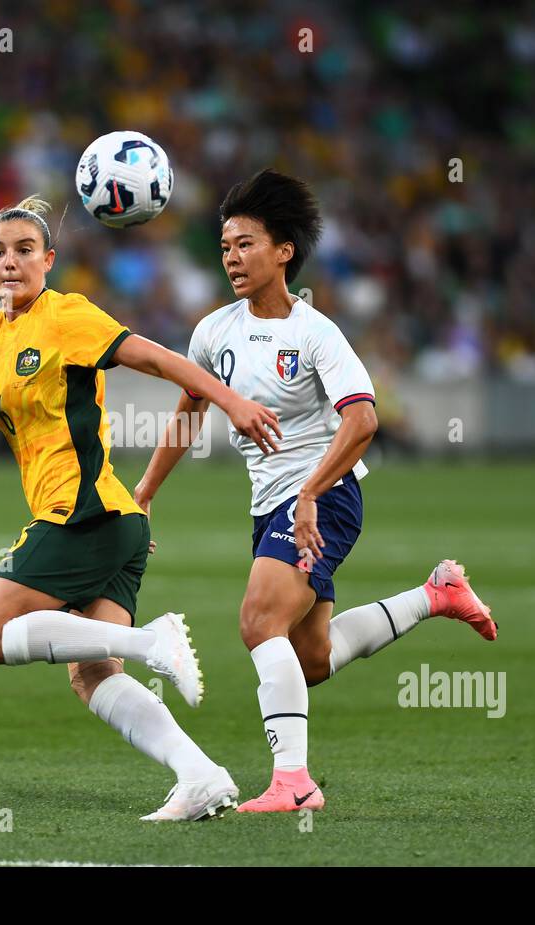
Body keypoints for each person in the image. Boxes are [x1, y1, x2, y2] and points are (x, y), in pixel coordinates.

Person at [0, 195, 283, 821]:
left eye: (25, 251)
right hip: (114, 523)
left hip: (82, 516)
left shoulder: (68, 317)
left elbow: (160, 360)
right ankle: (203, 777)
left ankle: (148, 640)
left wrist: (229, 401)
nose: (10, 263)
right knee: (90, 673)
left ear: (48, 260)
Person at [134, 170, 498, 813]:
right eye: (224, 247)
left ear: (284, 252)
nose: (232, 258)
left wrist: (308, 493)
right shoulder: (213, 332)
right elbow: (189, 411)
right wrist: (145, 491)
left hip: (323, 501)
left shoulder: (317, 333)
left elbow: (363, 418)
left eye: (246, 244)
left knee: (258, 621)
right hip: (273, 504)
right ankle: (436, 594)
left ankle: (293, 783)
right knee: (309, 660)